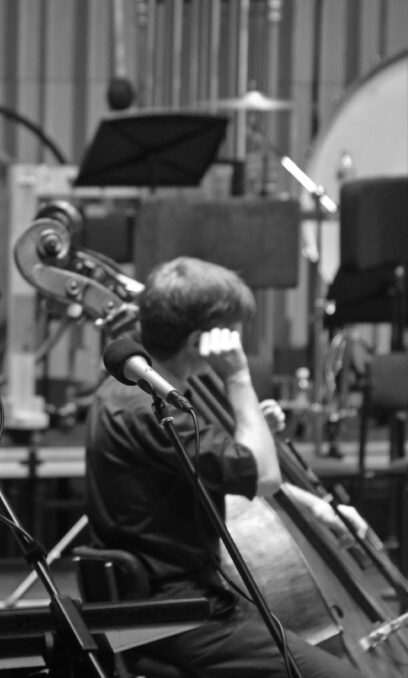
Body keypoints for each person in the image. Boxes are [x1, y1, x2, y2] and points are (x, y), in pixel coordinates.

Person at [85, 256, 367, 678]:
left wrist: (310, 503)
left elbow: (225, 467)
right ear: (204, 338)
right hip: (184, 612)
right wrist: (238, 378)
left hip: (165, 602)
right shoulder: (158, 409)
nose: (240, 340)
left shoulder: (136, 393)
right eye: (235, 330)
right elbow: (263, 476)